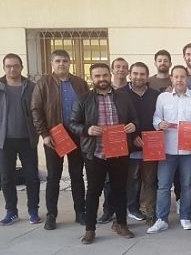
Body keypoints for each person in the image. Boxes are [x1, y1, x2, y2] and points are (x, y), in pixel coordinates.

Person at [69, 63, 139, 244]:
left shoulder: (123, 98)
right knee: (93, 191)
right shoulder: (83, 99)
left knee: (120, 190)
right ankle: (90, 230)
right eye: (97, 76)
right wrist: (87, 129)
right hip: (95, 153)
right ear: (91, 79)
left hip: (119, 152)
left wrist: (134, 126)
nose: (102, 79)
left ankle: (121, 224)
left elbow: (134, 119)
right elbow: (72, 124)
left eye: (104, 75)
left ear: (110, 75)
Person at [148, 66, 191, 233]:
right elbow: (156, 117)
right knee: (163, 185)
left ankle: (185, 216)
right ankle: (161, 219)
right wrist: (159, 124)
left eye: (183, 77)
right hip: (167, 149)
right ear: (171, 78)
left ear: (187, 79)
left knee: (187, 185)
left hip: (188, 152)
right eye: (176, 77)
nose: (180, 80)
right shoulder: (163, 98)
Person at [31, 49, 89, 230]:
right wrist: (44, 134)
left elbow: (88, 107)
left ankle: (80, 212)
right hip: (54, 136)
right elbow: (36, 110)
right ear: (52, 63)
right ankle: (51, 215)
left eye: (64, 60)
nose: (61, 64)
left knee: (77, 176)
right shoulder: (43, 84)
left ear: (69, 62)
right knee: (53, 177)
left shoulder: (79, 83)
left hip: (76, 134)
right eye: (58, 61)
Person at [0, 53, 41, 225]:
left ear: (22, 67)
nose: (12, 69)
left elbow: (37, 108)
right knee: (6, 178)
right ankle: (11, 211)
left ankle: (33, 210)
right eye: (8, 66)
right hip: (4, 140)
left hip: (27, 139)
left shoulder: (31, 87)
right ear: (4, 68)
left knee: (32, 177)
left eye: (15, 65)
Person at [120, 62, 161, 225]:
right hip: (129, 144)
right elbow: (118, 120)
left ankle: (150, 212)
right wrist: (133, 137)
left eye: (142, 74)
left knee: (150, 180)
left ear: (147, 75)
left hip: (151, 144)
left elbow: (158, 117)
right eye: (135, 73)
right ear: (130, 74)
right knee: (132, 179)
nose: (138, 77)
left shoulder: (155, 94)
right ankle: (133, 208)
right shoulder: (121, 94)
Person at [98, 57, 130, 224]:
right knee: (107, 181)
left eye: (124, 67)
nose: (121, 69)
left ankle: (124, 212)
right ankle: (108, 210)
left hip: (124, 141)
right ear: (112, 70)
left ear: (128, 71)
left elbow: (132, 116)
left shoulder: (129, 90)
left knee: (124, 180)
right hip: (103, 143)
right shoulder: (102, 91)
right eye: (118, 67)